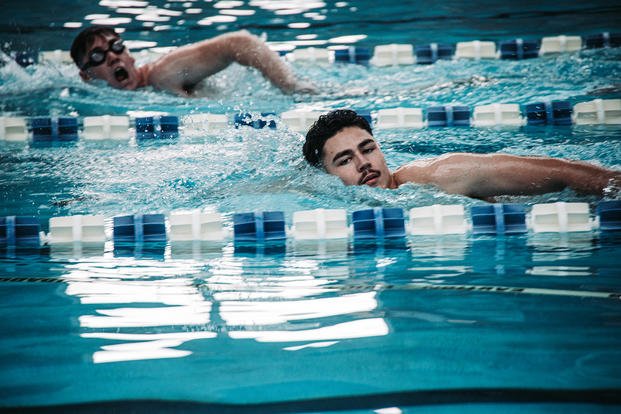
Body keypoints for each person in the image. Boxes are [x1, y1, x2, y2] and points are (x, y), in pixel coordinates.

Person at [303, 109, 621, 199]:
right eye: (344, 160)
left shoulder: (437, 175)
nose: (364, 164)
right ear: (326, 177)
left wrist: (611, 182)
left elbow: (561, 173)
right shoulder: (323, 202)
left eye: (368, 149)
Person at [70, 26, 315, 97]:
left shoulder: (162, 74)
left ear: (130, 56)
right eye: (97, 56)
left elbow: (239, 42)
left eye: (116, 46)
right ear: (87, 76)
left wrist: (290, 86)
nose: (113, 56)